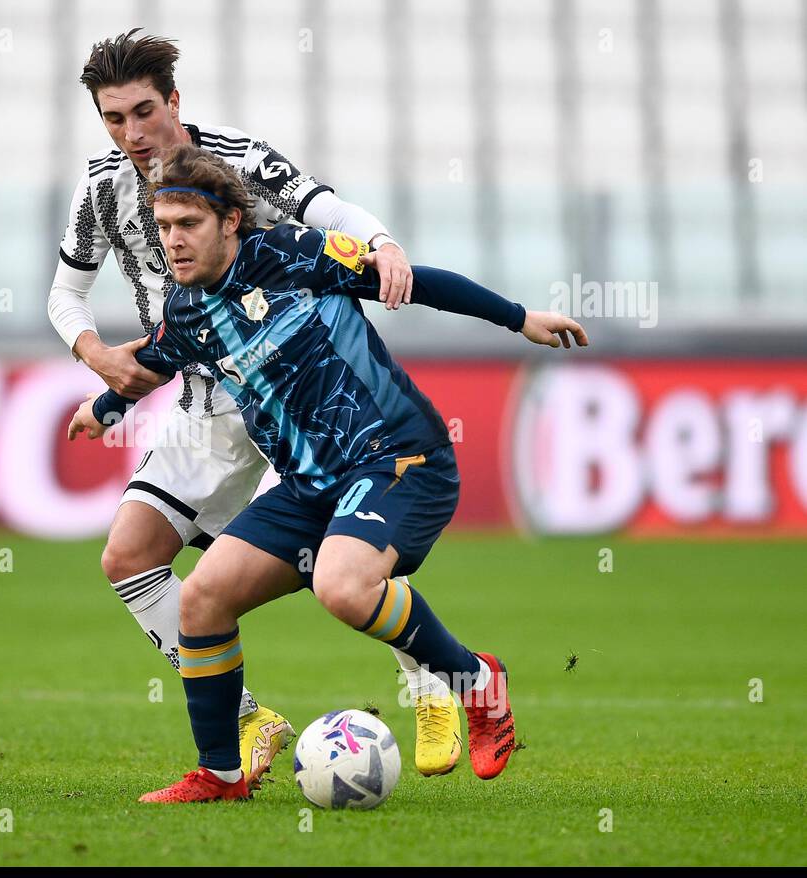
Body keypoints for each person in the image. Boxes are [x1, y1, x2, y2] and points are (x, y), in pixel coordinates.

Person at [67, 144, 589, 802]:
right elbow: (160, 359)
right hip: (309, 488)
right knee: (202, 599)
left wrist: (519, 319)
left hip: (398, 458)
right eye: (164, 226)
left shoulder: (293, 254)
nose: (172, 241)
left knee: (342, 585)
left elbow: (410, 280)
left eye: (188, 225)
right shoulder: (189, 307)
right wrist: (105, 406)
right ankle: (222, 776)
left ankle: (475, 682)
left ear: (230, 221)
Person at [49, 28, 462, 785]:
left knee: (343, 559)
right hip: (202, 404)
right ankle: (247, 720)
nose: (131, 133)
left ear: (174, 101)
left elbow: (325, 207)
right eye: (113, 118)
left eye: (143, 111)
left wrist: (384, 244)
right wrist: (100, 361)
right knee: (128, 558)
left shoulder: (236, 159)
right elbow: (64, 295)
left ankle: (432, 677)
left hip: (291, 398)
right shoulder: (102, 189)